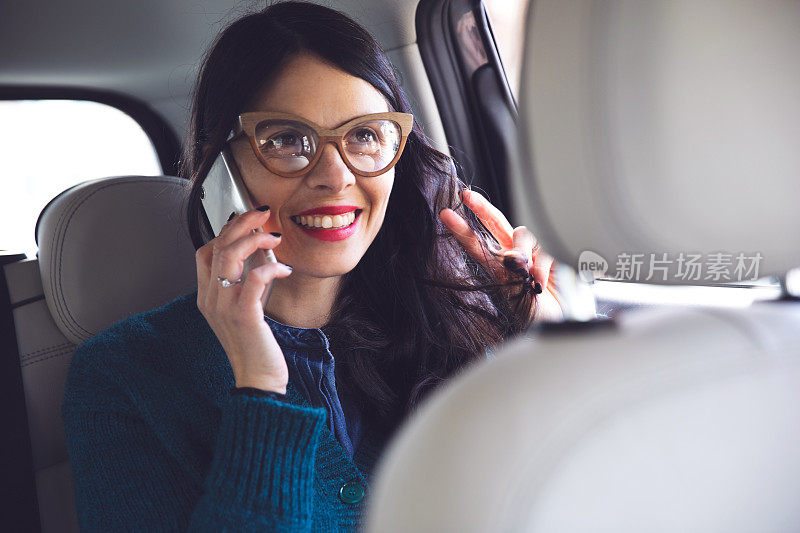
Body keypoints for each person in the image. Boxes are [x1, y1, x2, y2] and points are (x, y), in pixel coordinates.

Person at [61, 2, 563, 531]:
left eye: (365, 135)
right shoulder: (122, 376)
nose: (334, 175)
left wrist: (540, 335)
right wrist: (259, 388)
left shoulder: (457, 318)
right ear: (219, 166)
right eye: (284, 140)